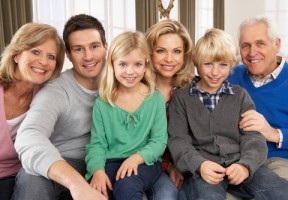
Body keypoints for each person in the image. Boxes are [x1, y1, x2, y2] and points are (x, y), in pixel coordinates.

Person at [168, 28, 288, 200]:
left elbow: (253, 138)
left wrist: (245, 166)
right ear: (197, 64)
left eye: (223, 65)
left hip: (240, 165)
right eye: (208, 64)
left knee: (286, 195)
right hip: (205, 170)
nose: (215, 72)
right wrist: (200, 165)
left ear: (232, 66)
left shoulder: (240, 95)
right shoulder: (182, 97)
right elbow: (178, 140)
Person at [12, 14, 108, 200]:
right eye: (79, 49)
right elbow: (29, 135)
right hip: (62, 161)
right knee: (32, 176)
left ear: (105, 47)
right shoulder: (56, 91)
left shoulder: (123, 81)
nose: (88, 56)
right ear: (69, 55)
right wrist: (76, 184)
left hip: (106, 162)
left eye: (94, 46)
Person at [85, 31, 167, 200]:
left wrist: (136, 158)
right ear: (113, 65)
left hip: (146, 161)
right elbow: (97, 144)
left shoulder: (154, 99)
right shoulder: (103, 103)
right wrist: (97, 171)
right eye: (123, 64)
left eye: (137, 64)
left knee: (126, 186)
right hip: (111, 162)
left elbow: (159, 142)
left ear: (145, 65)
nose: (130, 71)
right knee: (96, 191)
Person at [228, 15, 288, 190]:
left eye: (260, 43)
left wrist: (273, 133)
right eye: (246, 46)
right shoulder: (230, 75)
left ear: (277, 44)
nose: (252, 53)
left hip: (284, 162)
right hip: (238, 162)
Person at [0, 22, 65, 200]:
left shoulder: (48, 95)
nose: (44, 62)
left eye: (51, 56)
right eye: (35, 52)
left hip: (26, 174)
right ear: (16, 55)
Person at [145, 19, 193, 200]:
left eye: (177, 51)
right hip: (151, 165)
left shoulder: (194, 87)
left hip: (189, 164)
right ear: (149, 53)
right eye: (160, 51)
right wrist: (166, 166)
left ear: (185, 55)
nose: (169, 59)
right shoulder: (137, 89)